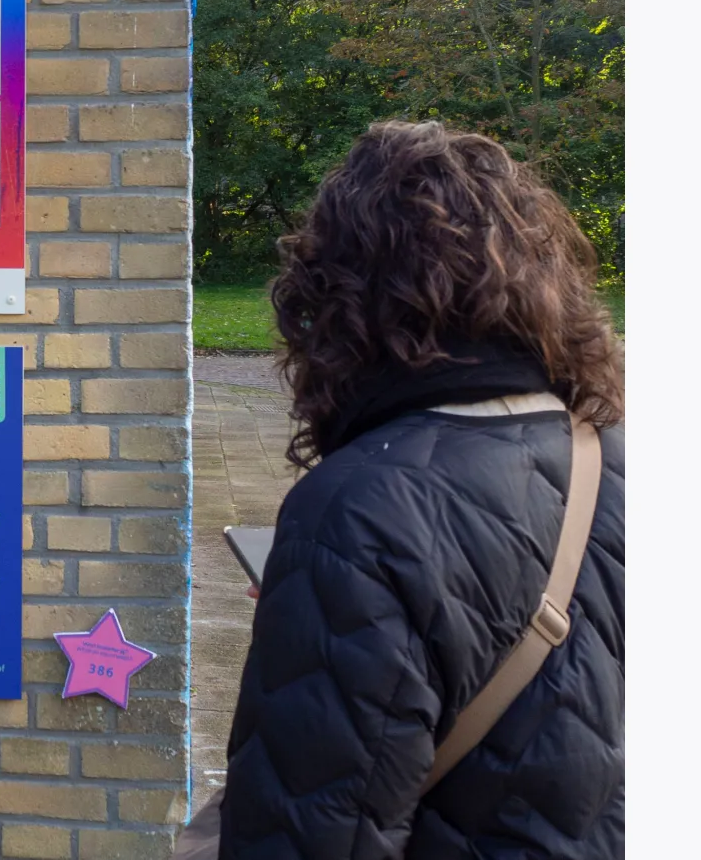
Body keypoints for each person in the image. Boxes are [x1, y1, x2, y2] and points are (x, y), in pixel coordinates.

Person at [212, 120, 624, 860]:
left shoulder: (353, 514)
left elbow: (309, 830)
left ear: (339, 299)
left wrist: (318, 624)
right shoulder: (623, 455)